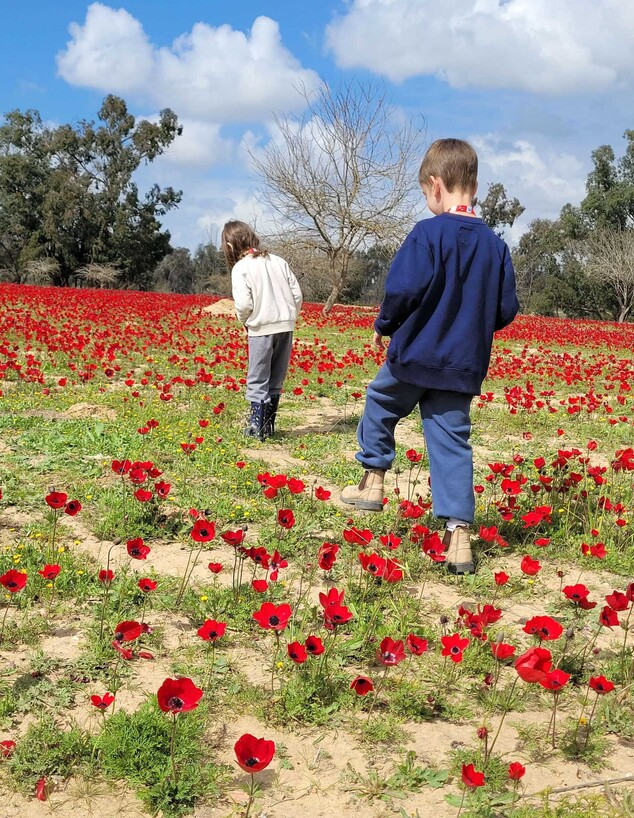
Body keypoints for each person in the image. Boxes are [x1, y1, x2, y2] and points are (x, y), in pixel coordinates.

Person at [340, 139, 519, 574]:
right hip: (461, 367)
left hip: (414, 356)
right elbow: (505, 309)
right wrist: (469, 329)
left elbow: (402, 290)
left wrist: (384, 324)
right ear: (473, 185)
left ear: (435, 186)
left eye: (424, 194)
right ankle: (459, 539)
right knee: (451, 442)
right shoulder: (495, 247)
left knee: (381, 403)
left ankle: (373, 481)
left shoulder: (426, 234)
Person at [222, 220, 303, 441]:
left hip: (260, 327)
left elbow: (244, 304)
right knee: (276, 376)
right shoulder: (279, 261)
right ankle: (269, 426)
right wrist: (289, 316)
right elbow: (297, 295)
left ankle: (256, 428)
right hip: (285, 326)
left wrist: (246, 321)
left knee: (258, 377)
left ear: (230, 245)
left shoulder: (241, 268)